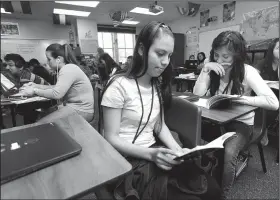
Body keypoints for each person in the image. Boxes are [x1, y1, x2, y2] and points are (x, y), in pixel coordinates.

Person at [101, 21, 221, 200]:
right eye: (160, 53)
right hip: (126, 159)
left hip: (154, 150)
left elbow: (158, 125)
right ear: (141, 49)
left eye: (169, 55)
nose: (165, 62)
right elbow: (110, 137)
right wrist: (151, 154)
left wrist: (177, 149)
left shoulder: (156, 84)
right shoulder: (118, 86)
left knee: (212, 190)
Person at [193, 31, 279, 198]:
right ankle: (199, 177)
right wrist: (205, 71)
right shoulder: (213, 68)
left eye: (225, 56)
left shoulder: (248, 71)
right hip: (217, 119)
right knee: (190, 132)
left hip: (241, 124)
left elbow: (274, 102)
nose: (219, 61)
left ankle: (221, 195)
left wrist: (241, 99)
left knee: (229, 153)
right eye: (216, 55)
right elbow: (198, 94)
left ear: (237, 55)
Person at [20, 44, 94, 122]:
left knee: (41, 124)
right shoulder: (68, 68)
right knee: (42, 115)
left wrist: (34, 91)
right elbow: (56, 87)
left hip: (82, 110)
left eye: (49, 59)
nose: (47, 62)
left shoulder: (68, 69)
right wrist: (36, 86)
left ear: (58, 59)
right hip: (77, 108)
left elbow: (57, 94)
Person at [255, 38, 279, 145]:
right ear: (272, 50)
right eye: (278, 48)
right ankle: (261, 129)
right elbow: (252, 79)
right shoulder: (263, 62)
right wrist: (272, 84)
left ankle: (263, 128)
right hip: (261, 95)